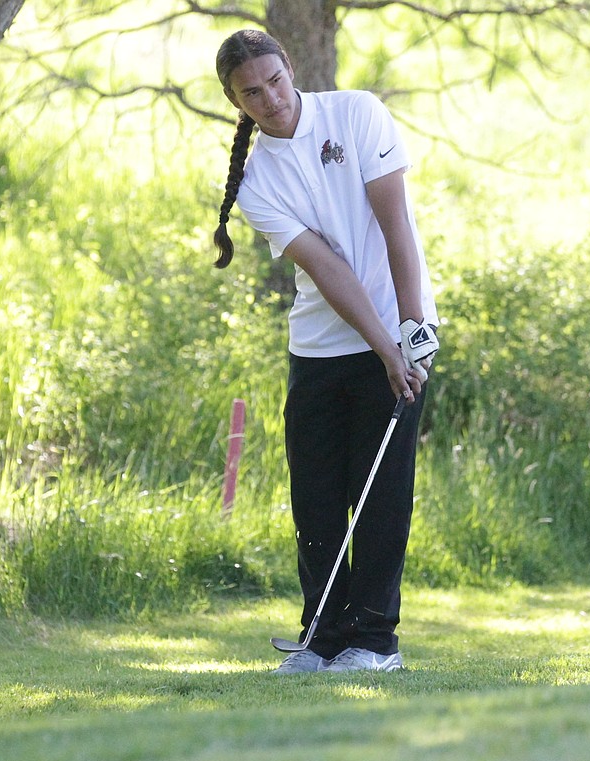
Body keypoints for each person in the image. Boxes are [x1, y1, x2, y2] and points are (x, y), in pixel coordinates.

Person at [212, 30, 440, 674]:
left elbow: (396, 227)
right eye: (251, 93)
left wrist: (409, 333)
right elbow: (329, 269)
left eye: (275, 81)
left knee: (380, 493)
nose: (270, 99)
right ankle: (323, 636)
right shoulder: (255, 181)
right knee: (315, 493)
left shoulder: (357, 113)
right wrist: (380, 343)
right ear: (235, 99)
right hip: (319, 346)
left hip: (400, 331)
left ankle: (374, 641)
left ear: (290, 68)